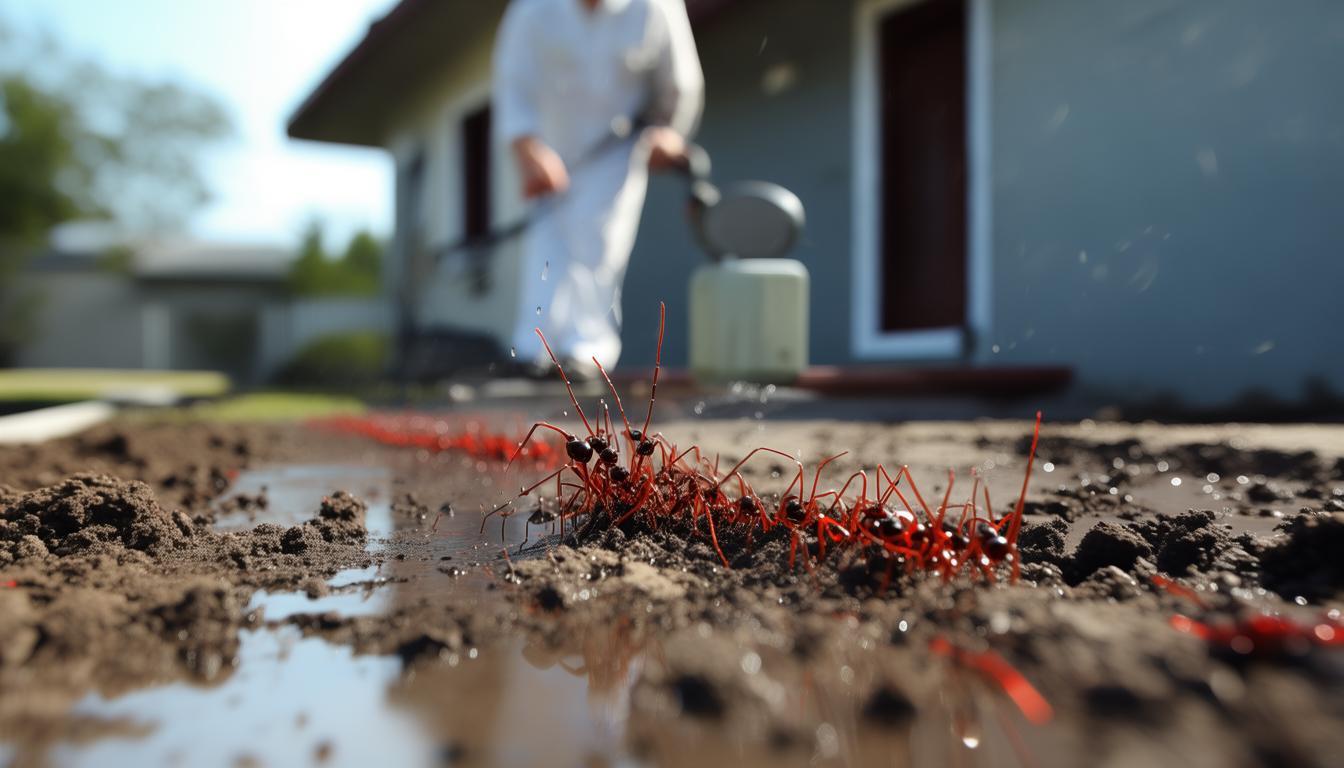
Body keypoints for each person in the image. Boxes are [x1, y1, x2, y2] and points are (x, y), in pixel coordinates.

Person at [492, 0, 704, 377]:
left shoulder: (655, 8)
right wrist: (528, 148)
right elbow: (513, 87)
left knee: (601, 242)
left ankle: (586, 352)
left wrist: (668, 133)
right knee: (546, 246)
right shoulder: (531, 11)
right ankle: (532, 350)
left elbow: (680, 84)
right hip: (549, 148)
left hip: (617, 152)